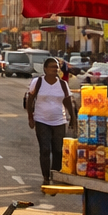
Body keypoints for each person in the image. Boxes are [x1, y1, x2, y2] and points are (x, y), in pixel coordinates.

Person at [24, 57, 76, 188]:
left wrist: (73, 119)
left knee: (58, 150)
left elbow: (68, 102)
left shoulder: (63, 84)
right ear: (45, 69)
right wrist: (30, 117)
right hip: (41, 120)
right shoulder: (38, 82)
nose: (55, 69)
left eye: (57, 67)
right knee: (45, 149)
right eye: (52, 67)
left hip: (59, 121)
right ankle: (46, 177)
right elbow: (30, 100)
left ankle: (55, 174)